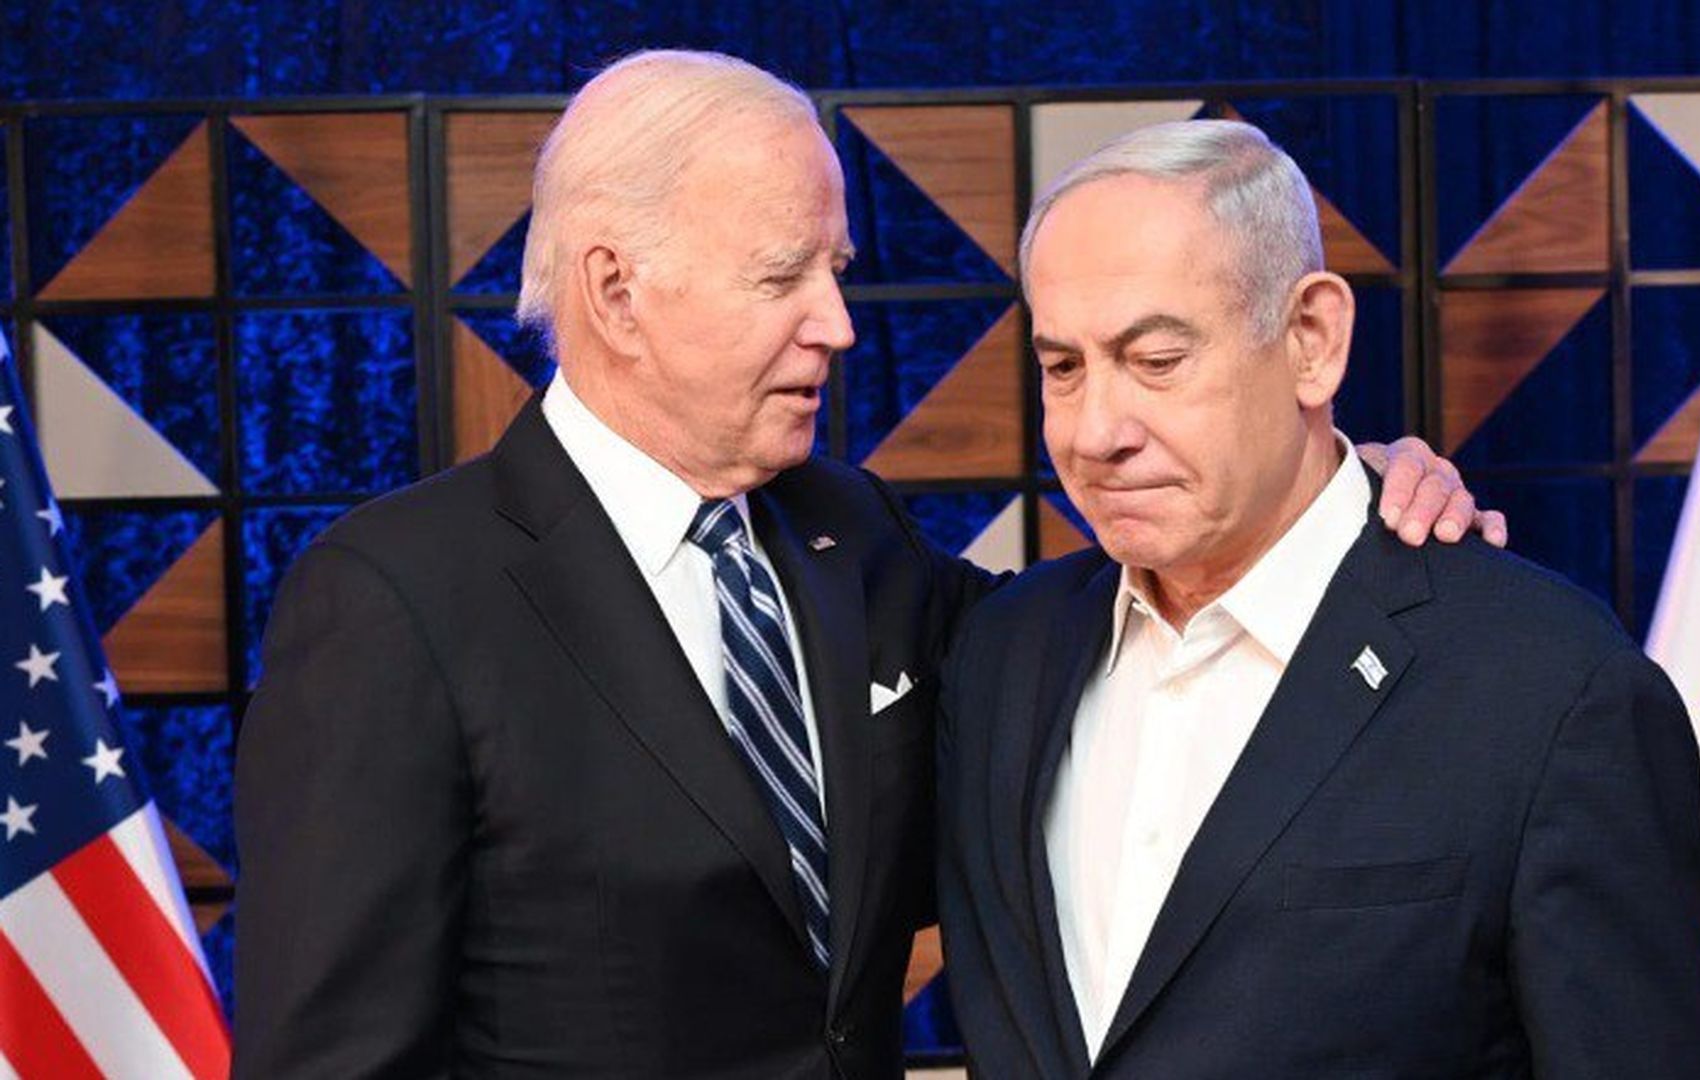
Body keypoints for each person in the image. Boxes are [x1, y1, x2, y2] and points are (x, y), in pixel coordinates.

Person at [233, 53, 1493, 1078]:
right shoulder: (396, 602)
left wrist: (1326, 481)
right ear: (616, 293)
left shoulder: (850, 531)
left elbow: (1112, 644)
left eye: (833, 272)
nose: (836, 325)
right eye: (782, 276)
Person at [935, 119, 1700, 1078]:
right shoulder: (1001, 654)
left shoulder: (1550, 691)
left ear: (1311, 340)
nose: (1096, 431)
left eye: (1157, 361)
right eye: (1064, 368)